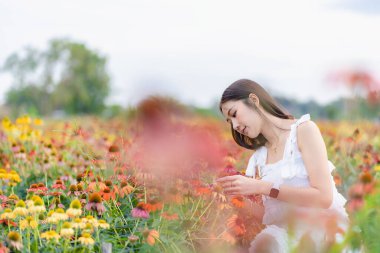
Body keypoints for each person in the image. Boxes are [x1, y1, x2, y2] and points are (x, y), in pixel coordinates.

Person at [216, 79, 349, 253]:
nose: (235, 126)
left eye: (234, 114)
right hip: (287, 237)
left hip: (324, 233)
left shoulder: (304, 131)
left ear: (254, 100)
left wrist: (260, 186)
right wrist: (235, 198)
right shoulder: (259, 158)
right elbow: (272, 215)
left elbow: (324, 198)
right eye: (229, 121)